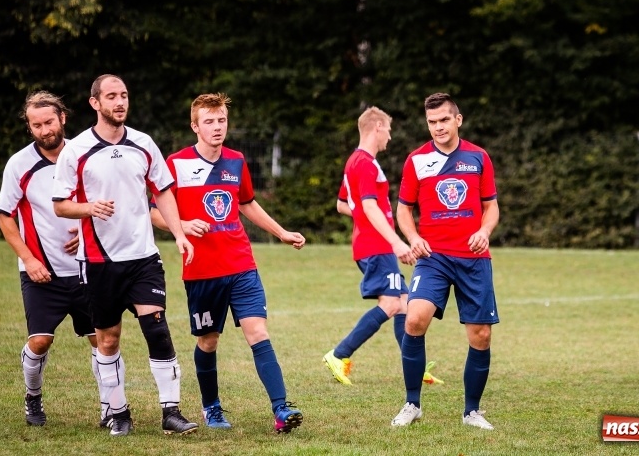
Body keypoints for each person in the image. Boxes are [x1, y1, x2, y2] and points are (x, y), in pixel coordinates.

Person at [52, 74, 198, 437]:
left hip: (143, 257)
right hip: (98, 262)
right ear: (95, 103)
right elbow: (60, 206)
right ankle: (118, 413)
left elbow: (163, 192)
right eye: (112, 96)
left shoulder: (144, 144)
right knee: (109, 339)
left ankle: (172, 412)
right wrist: (88, 207)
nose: (120, 102)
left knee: (157, 328)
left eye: (124, 96)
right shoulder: (77, 150)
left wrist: (178, 233)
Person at [150, 92, 304, 433]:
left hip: (241, 263)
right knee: (208, 341)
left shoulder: (236, 161)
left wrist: (281, 232)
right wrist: (183, 226)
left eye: (221, 120)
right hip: (201, 270)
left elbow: (247, 203)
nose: (217, 127)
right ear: (195, 126)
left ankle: (281, 409)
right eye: (209, 121)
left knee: (258, 332)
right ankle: (212, 407)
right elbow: (153, 211)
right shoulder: (175, 163)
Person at [0, 91, 106, 427]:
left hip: (88, 267)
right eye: (36, 125)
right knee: (40, 341)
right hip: (42, 272)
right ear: (30, 128)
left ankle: (110, 407)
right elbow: (4, 216)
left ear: (63, 118)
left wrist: (88, 230)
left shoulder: (85, 155)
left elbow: (104, 203)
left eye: (49, 122)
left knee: (103, 339)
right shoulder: (19, 164)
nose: (44, 130)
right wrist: (29, 260)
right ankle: (33, 397)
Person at [390, 92, 500, 430]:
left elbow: (491, 205)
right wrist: (413, 238)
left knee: (480, 335)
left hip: (473, 257)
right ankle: (412, 403)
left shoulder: (479, 157)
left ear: (458, 120)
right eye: (432, 122)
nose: (437, 127)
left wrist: (484, 230)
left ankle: (472, 412)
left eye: (443, 120)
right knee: (414, 320)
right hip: (433, 257)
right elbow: (403, 209)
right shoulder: (417, 160)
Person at [324, 106, 443, 386]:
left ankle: (415, 367)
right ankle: (339, 354)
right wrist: (396, 242)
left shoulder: (354, 161)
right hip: (376, 246)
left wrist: (368, 219)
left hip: (371, 243)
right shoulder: (365, 163)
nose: (389, 136)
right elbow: (366, 204)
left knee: (403, 305)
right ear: (377, 126)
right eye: (388, 129)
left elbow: (344, 204)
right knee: (391, 303)